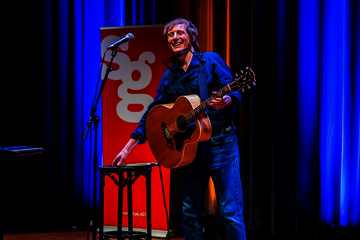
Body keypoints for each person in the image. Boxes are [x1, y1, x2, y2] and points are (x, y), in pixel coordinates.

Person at [112, 18, 246, 240]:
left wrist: (227, 101)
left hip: (221, 146)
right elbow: (153, 113)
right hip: (190, 151)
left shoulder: (210, 61)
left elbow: (234, 91)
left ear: (191, 37)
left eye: (179, 33)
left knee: (231, 213)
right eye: (170, 35)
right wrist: (128, 147)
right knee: (190, 215)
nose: (175, 37)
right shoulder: (170, 75)